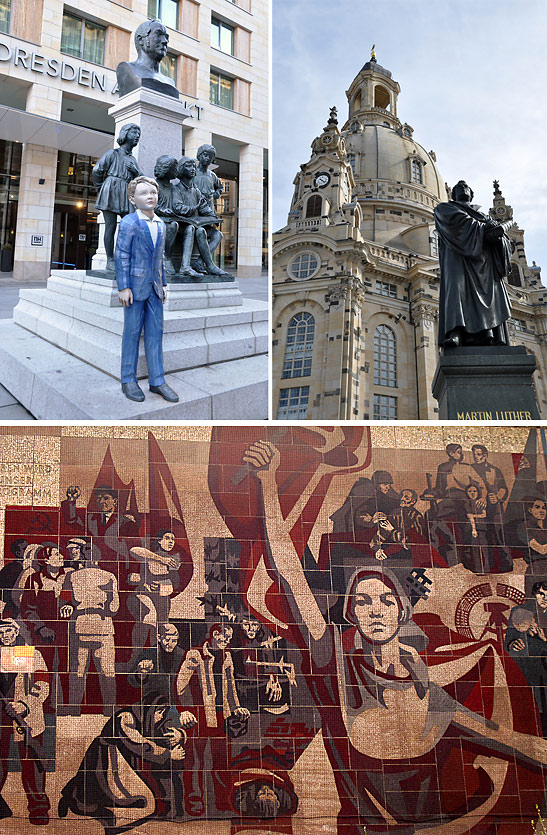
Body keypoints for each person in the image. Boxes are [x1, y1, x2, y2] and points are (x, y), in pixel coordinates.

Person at [243, 440, 547, 834]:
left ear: (402, 611)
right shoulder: (331, 660)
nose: (375, 609)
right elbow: (286, 566)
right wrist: (268, 483)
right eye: (364, 601)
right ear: (350, 613)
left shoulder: (431, 698)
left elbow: (518, 743)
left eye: (386, 600)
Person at [58, 693, 187, 829]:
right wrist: (168, 755)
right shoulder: (126, 717)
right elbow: (139, 744)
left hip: (116, 759)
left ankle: (78, 798)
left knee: (112, 792)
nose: (161, 718)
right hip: (104, 758)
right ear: (154, 710)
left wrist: (179, 737)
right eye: (161, 713)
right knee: (91, 794)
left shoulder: (143, 718)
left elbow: (151, 740)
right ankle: (73, 802)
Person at [114, 175, 179, 404]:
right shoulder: (130, 222)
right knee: (131, 334)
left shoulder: (160, 223)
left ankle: (157, 380)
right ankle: (128, 379)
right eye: (143, 193)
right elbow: (121, 255)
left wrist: (163, 283)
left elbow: (159, 258)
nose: (150, 196)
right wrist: (123, 287)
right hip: (134, 288)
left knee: (155, 334)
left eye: (152, 193)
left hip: (155, 290)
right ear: (133, 198)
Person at [176, 623, 250, 816]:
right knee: (195, 761)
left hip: (221, 716)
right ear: (214, 634)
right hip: (199, 716)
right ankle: (194, 801)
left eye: (228, 638)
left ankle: (223, 800)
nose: (226, 641)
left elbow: (231, 686)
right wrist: (184, 710)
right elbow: (180, 685)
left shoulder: (227, 656)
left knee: (222, 761)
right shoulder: (196, 654)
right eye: (223, 637)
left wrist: (236, 708)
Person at [435, 180, 514, 348]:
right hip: (458, 258)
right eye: (459, 187)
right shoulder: (445, 209)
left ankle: (490, 334)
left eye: (466, 187)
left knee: (489, 295)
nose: (463, 187)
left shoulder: (484, 216)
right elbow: (458, 225)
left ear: (471, 194)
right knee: (456, 291)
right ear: (453, 194)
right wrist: (485, 228)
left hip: (483, 262)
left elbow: (504, 242)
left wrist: (499, 237)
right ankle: (455, 332)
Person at [0, 619, 51, 825]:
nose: (4, 635)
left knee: (32, 763)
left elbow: (42, 684)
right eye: (0, 631)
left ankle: (39, 808)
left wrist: (24, 705)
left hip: (26, 716)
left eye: (8, 631)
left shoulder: (29, 653)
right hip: (1, 717)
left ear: (16, 631)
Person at [63, 538, 119, 715]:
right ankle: (109, 710)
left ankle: (74, 709)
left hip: (82, 625)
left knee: (79, 670)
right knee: (106, 670)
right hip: (102, 626)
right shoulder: (109, 576)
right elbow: (114, 607)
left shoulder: (72, 576)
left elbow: (65, 600)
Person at [92, 124, 142, 273]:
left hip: (125, 191)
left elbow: (140, 178)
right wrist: (101, 188)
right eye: (134, 132)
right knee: (110, 226)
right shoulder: (112, 153)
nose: (137, 136)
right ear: (125, 134)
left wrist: (136, 172)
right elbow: (97, 170)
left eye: (138, 133)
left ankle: (125, 258)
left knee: (131, 226)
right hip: (111, 189)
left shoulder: (132, 159)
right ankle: (110, 260)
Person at [171, 157, 231, 280]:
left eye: (193, 166)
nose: (192, 169)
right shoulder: (176, 189)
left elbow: (204, 207)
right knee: (198, 230)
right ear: (182, 170)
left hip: (197, 224)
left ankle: (200, 262)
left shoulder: (196, 191)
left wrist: (212, 216)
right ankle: (199, 265)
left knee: (217, 234)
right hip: (183, 225)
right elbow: (178, 208)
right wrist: (194, 208)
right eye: (188, 166)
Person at [116, 19, 178, 99]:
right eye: (158, 35)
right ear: (141, 40)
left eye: (166, 37)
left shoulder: (170, 82)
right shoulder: (127, 69)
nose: (165, 41)